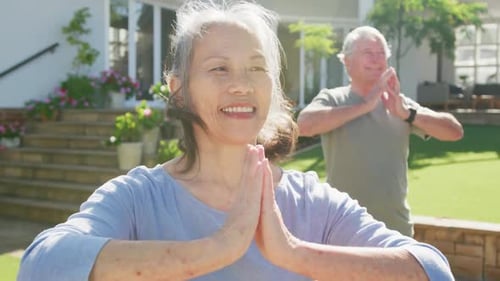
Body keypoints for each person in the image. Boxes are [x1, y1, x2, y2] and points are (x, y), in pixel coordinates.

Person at [18, 2, 455, 280]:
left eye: (256, 68)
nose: (241, 85)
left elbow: (432, 270)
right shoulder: (137, 198)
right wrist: (218, 248)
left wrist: (294, 253)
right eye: (218, 69)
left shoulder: (314, 202)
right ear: (178, 88)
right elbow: (42, 265)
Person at [297, 25, 464, 237]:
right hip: (342, 230)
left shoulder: (398, 104)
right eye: (368, 53)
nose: (376, 59)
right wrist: (364, 106)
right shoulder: (333, 99)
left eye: (381, 54)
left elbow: (454, 131)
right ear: (346, 62)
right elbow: (304, 125)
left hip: (395, 231)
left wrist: (409, 114)